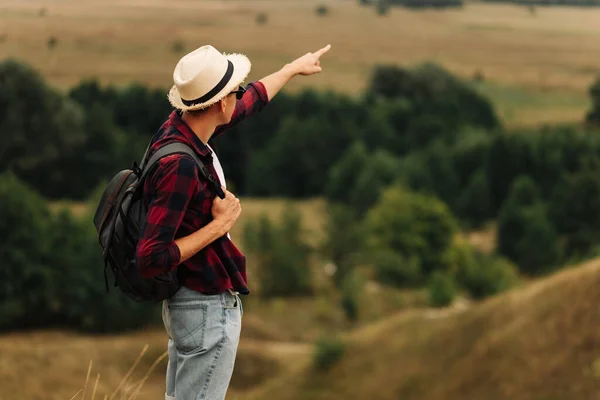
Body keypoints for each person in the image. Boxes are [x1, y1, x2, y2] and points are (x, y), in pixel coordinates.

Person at [135, 43, 331, 400]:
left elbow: (249, 102)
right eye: (233, 92)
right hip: (204, 308)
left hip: (189, 305)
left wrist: (290, 68)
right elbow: (150, 257)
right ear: (218, 103)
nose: (238, 98)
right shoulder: (180, 164)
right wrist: (219, 225)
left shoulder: (180, 132)